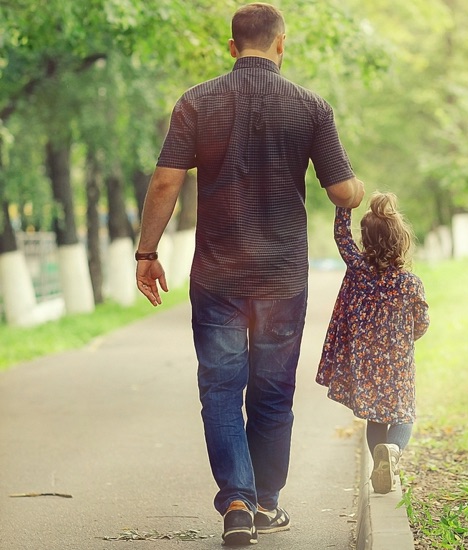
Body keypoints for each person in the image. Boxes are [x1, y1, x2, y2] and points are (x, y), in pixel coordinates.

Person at [134, 3, 365, 546]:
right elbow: (341, 190)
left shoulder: (195, 102)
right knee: (272, 391)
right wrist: (356, 192)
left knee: (219, 388)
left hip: (218, 274)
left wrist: (147, 253)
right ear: (281, 45)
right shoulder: (311, 107)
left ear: (232, 47)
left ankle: (236, 500)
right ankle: (266, 502)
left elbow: (166, 182)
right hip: (283, 274)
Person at [316, 192, 429, 494]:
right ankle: (392, 452)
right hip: (398, 362)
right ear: (401, 240)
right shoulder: (410, 283)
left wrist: (344, 198)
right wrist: (407, 337)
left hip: (366, 362)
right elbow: (422, 323)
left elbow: (341, 234)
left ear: (365, 240)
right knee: (403, 415)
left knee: (375, 417)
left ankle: (380, 465)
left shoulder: (358, 270)